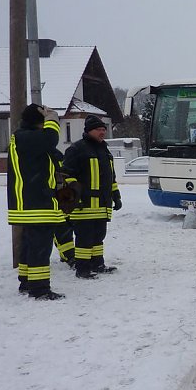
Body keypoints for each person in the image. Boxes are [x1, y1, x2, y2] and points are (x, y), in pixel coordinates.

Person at [7, 104, 67, 300]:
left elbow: (49, 154)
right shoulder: (26, 137)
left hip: (32, 202)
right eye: (44, 123)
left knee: (30, 245)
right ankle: (40, 289)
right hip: (36, 203)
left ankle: (26, 281)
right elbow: (51, 139)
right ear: (38, 123)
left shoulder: (26, 140)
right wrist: (53, 119)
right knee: (40, 248)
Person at [63, 115, 122, 278]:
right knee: (84, 238)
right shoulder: (76, 149)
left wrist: (116, 196)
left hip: (102, 205)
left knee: (98, 237)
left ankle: (97, 264)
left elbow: (111, 177)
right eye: (99, 130)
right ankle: (82, 269)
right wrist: (76, 197)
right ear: (89, 131)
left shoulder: (105, 150)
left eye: (104, 129)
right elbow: (66, 175)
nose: (102, 132)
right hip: (84, 205)